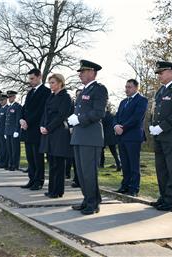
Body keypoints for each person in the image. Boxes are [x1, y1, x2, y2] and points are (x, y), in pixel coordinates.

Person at [68, 60, 108, 215]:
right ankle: (89, 199)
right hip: (79, 135)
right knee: (81, 172)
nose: (80, 74)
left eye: (83, 71)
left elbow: (99, 113)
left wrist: (79, 119)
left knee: (89, 172)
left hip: (91, 136)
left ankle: (93, 203)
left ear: (92, 72)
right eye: (80, 72)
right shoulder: (83, 91)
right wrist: (74, 118)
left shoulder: (99, 90)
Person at [149, 61, 172, 211]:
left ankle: (171, 200)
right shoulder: (160, 92)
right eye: (158, 73)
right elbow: (155, 112)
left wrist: (161, 127)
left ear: (171, 72)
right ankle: (163, 196)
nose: (159, 75)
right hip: (160, 137)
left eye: (161, 72)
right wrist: (152, 125)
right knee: (161, 169)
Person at [40, 74, 73, 198]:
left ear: (60, 83)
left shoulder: (65, 97)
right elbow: (45, 113)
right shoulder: (50, 96)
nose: (51, 85)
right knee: (51, 161)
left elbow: (61, 116)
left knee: (58, 163)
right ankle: (51, 189)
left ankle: (58, 191)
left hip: (59, 132)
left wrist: (48, 127)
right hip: (48, 133)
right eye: (50, 83)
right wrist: (42, 126)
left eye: (53, 82)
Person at [113, 79, 148, 197]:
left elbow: (137, 117)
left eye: (129, 87)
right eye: (126, 87)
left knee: (133, 163)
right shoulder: (123, 102)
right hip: (121, 136)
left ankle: (134, 188)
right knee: (125, 163)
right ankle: (125, 186)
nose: (126, 89)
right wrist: (116, 125)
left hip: (133, 136)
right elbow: (116, 116)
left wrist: (123, 127)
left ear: (136, 88)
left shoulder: (142, 100)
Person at [20, 68, 51, 190]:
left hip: (37, 129)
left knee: (37, 158)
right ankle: (31, 179)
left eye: (32, 78)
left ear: (39, 77)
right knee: (30, 157)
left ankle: (39, 181)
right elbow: (25, 108)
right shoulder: (30, 92)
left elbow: (40, 111)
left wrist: (28, 121)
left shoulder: (45, 92)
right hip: (27, 129)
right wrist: (21, 119)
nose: (30, 81)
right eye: (29, 79)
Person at [65, 89, 82, 188]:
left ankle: (79, 179)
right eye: (77, 95)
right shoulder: (73, 105)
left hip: (81, 133)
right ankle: (75, 178)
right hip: (72, 134)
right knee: (73, 158)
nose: (78, 97)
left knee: (79, 159)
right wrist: (70, 127)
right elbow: (68, 116)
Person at [4, 90, 22, 171]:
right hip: (8, 131)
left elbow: (18, 119)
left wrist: (17, 131)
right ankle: (10, 163)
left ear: (14, 97)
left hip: (14, 132)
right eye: (8, 97)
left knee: (15, 150)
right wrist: (5, 131)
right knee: (9, 149)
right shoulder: (9, 107)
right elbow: (6, 121)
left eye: (11, 96)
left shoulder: (17, 106)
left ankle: (15, 165)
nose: (9, 98)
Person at [100, 105, 121, 171]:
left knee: (101, 151)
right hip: (112, 136)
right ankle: (118, 164)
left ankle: (101, 164)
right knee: (114, 152)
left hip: (105, 136)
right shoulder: (112, 116)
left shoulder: (103, 116)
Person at [0, 94, 9, 168]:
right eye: (0, 100)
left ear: (6, 100)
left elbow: (6, 122)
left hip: (3, 132)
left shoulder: (7, 108)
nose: (1, 102)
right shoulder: (0, 109)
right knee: (0, 147)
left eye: (2, 100)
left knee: (4, 148)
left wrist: (5, 132)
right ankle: (0, 161)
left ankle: (4, 162)